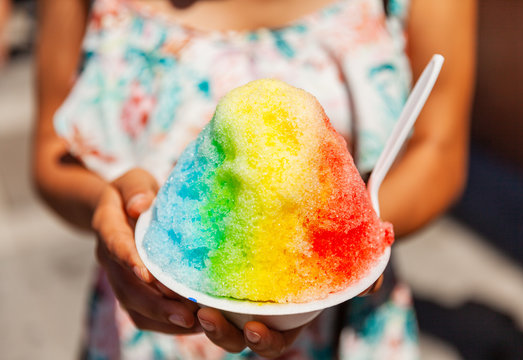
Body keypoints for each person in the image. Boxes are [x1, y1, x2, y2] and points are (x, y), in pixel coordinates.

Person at [33, 0, 476, 358]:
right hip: (148, 321)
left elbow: (439, 150)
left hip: (348, 330)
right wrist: (107, 207)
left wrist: (345, 245)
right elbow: (52, 154)